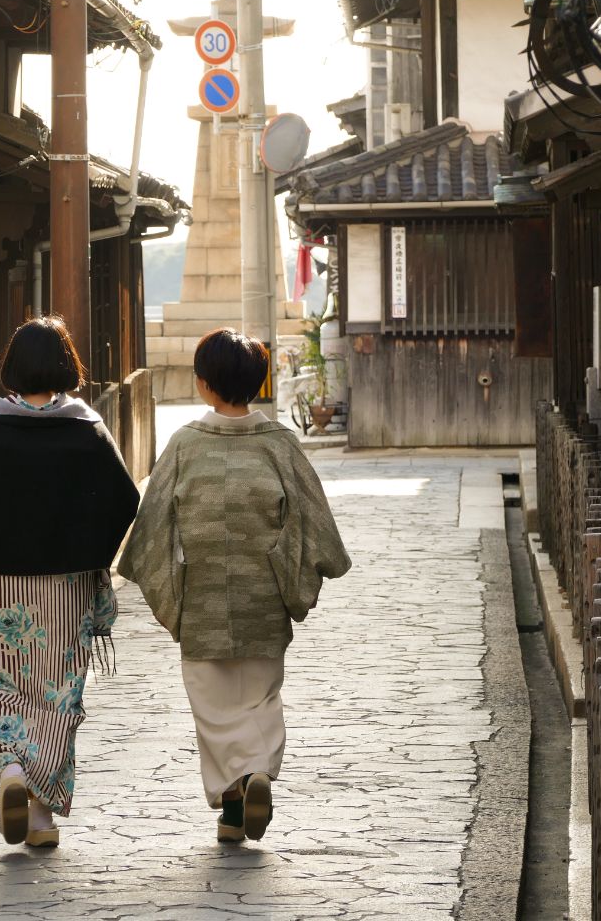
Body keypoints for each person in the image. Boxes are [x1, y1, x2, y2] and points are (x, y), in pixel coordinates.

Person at [118, 327, 351, 843]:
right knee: (260, 698)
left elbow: (152, 528)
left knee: (214, 708)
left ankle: (234, 796)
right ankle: (254, 780)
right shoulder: (280, 446)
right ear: (258, 382)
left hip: (201, 599)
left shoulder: (184, 445)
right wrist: (294, 577)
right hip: (264, 599)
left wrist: (167, 591)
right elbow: (316, 525)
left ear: (202, 384)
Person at [0, 315, 139, 848]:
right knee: (58, 694)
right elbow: (123, 499)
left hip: (2, 588)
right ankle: (43, 816)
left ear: (12, 367)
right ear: (64, 366)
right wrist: (85, 547)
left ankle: (10, 772)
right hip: (65, 590)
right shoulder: (85, 427)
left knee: (1, 687)